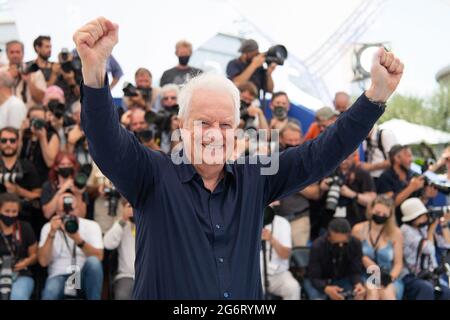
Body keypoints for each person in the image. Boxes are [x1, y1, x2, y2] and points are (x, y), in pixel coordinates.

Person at [73, 17, 403, 299]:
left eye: (225, 124)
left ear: (237, 132)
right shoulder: (152, 173)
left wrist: (374, 98)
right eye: (203, 123)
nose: (214, 133)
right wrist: (94, 70)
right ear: (182, 126)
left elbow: (320, 155)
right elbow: (106, 142)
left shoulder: (256, 175)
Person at [38, 192, 104, 300]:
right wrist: (52, 233)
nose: (68, 214)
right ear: (57, 211)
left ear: (77, 208)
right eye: (64, 210)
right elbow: (43, 262)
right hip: (59, 274)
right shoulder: (48, 227)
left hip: (82, 275)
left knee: (94, 263)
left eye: (71, 209)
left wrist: (78, 239)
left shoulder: (92, 226)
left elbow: (99, 257)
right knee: (50, 293)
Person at [277, 122, 321, 246]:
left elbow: (315, 193)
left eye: (296, 140)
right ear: (281, 139)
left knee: (299, 258)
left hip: (299, 218)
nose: (293, 143)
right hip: (275, 220)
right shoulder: (271, 158)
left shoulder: (307, 160)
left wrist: (291, 180)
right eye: (290, 140)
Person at [352, 196, 404, 300]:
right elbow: (353, 256)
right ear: (371, 210)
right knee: (373, 291)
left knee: (387, 294)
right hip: (365, 274)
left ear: (389, 215)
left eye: (384, 214)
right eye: (378, 212)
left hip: (388, 276)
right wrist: (364, 260)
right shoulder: (358, 229)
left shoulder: (396, 233)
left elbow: (398, 263)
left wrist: (389, 278)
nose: (380, 216)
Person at [400, 198, 450, 300]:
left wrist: (444, 225)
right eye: (422, 216)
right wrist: (431, 230)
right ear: (413, 218)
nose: (425, 218)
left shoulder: (423, 228)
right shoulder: (405, 230)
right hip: (411, 276)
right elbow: (428, 249)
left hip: (429, 275)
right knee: (426, 289)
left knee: (446, 292)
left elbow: (447, 244)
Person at [305, 218, 366, 300]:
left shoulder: (355, 244)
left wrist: (358, 284)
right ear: (328, 237)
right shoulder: (318, 246)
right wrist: (326, 288)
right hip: (319, 281)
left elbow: (355, 271)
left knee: (357, 294)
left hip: (343, 279)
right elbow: (314, 277)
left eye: (344, 242)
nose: (340, 245)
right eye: (337, 243)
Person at [377, 145, 438, 223]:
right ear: (397, 158)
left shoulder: (413, 175)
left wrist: (426, 196)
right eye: (408, 156)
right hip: (394, 223)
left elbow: (418, 205)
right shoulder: (385, 177)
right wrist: (411, 188)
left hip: (412, 223)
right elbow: (390, 204)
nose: (411, 159)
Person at [319, 152, 377, 227]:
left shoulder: (362, 173)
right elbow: (316, 195)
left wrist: (351, 194)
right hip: (329, 218)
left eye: (347, 157)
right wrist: (322, 187)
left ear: (353, 156)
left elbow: (372, 201)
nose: (344, 161)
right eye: (341, 157)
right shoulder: (329, 172)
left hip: (355, 220)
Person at [0, 127, 42, 225]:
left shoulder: (28, 166)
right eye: (3, 140)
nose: (8, 144)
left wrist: (19, 191)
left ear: (18, 142)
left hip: (24, 218)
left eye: (12, 140)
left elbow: (38, 195)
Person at [0, 193, 38, 300]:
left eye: (14, 212)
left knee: (17, 296)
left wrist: (26, 262)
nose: (11, 215)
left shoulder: (25, 227)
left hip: (21, 274)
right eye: (7, 211)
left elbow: (35, 255)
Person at [260, 214, 300, 300]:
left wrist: (271, 239)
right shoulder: (246, 220)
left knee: (293, 288)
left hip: (277, 274)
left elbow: (285, 255)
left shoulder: (282, 222)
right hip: (254, 274)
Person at [103, 199, 135, 300]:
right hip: (126, 276)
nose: (133, 210)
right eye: (130, 206)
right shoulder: (121, 225)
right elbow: (107, 244)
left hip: (149, 276)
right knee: (122, 296)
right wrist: (123, 219)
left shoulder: (150, 224)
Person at [19, 106, 60, 184]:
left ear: (45, 120)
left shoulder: (51, 135)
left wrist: (42, 138)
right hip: (23, 177)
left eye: (40, 119)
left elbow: (50, 163)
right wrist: (20, 132)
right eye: (34, 118)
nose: (36, 121)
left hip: (42, 179)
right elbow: (15, 156)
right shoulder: (24, 134)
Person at [41, 152, 87, 220]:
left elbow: (82, 215)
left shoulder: (79, 185)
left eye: (69, 164)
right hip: (55, 223)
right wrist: (61, 190)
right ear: (56, 167)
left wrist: (78, 194)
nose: (66, 167)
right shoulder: (48, 186)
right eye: (62, 164)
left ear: (73, 166)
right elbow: (47, 214)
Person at [1, 40, 46, 108]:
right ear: (7, 54)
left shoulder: (35, 72)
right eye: (12, 52)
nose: (15, 55)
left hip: (29, 113)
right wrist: (9, 78)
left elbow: (41, 98)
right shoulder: (1, 72)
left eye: (18, 52)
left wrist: (29, 81)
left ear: (23, 53)